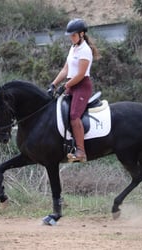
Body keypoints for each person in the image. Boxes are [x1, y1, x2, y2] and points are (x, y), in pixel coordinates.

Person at [48, 18, 100, 162]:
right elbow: (66, 69)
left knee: (74, 115)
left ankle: (81, 151)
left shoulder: (85, 50)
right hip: (72, 85)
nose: (71, 38)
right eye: (70, 35)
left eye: (74, 35)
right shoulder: (73, 48)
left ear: (82, 34)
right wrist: (53, 84)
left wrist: (65, 86)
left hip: (82, 86)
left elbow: (80, 75)